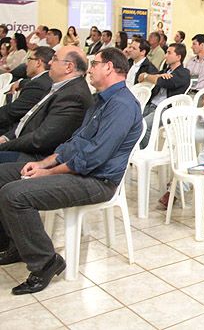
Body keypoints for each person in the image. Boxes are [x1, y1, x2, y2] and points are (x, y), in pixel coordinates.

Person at [0, 47, 142, 296]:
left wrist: (50, 174)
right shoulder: (100, 100)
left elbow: (93, 159)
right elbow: (75, 143)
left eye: (95, 63)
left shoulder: (121, 105)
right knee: (3, 176)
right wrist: (44, 163)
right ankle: (17, 245)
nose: (90, 69)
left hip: (98, 181)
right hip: (80, 171)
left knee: (14, 195)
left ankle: (45, 262)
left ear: (109, 67)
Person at [0, 47, 94, 163]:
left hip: (35, 158)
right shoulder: (59, 87)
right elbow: (27, 120)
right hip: (23, 147)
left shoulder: (74, 96)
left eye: (54, 59)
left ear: (68, 67)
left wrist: (6, 145)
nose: (49, 63)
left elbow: (41, 139)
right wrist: (6, 138)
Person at [138, 43, 191, 147]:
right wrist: (157, 75)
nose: (165, 56)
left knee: (143, 126)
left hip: (166, 109)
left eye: (169, 53)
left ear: (178, 57)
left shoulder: (183, 73)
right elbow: (140, 77)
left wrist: (153, 77)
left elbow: (163, 82)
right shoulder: (165, 71)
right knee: (131, 121)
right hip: (151, 105)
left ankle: (146, 152)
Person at [0, 47, 54, 133]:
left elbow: (12, 112)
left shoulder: (38, 85)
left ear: (38, 63)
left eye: (29, 59)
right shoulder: (45, 80)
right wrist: (21, 82)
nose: (26, 63)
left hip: (14, 132)